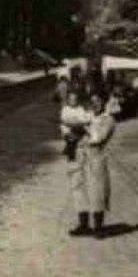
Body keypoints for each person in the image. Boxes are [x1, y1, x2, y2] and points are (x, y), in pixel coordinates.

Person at [77, 92, 116, 237]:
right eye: (92, 101)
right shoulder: (89, 116)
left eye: (98, 101)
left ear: (104, 102)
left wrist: (84, 127)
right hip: (83, 157)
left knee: (97, 192)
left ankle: (99, 227)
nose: (95, 104)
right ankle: (84, 224)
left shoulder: (108, 119)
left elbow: (98, 138)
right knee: (82, 190)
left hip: (97, 157)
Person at [59, 89, 93, 234]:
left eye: (75, 98)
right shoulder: (65, 111)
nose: (73, 101)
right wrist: (81, 127)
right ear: (67, 100)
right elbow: (67, 127)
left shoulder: (81, 110)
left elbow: (87, 122)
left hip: (85, 151)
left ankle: (89, 223)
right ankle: (83, 222)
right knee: (77, 186)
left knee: (86, 186)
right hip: (74, 151)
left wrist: (82, 125)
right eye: (71, 98)